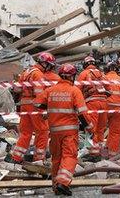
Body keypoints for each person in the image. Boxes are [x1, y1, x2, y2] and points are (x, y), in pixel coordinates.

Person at [34, 64, 92, 196]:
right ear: (72, 76)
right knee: (69, 156)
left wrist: (48, 106)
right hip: (69, 132)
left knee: (56, 158)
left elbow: (37, 103)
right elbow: (82, 113)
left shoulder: (50, 90)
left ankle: (55, 185)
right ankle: (63, 182)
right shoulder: (74, 91)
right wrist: (89, 127)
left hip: (54, 131)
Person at [7, 52, 58, 164]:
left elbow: (17, 89)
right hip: (35, 105)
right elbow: (39, 93)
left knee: (25, 133)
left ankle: (16, 157)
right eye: (49, 65)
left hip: (24, 104)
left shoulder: (27, 72)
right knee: (43, 131)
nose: (49, 68)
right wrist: (44, 108)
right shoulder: (38, 74)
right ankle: (39, 159)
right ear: (44, 63)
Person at [77, 56, 108, 156]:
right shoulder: (102, 74)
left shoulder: (84, 73)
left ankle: (93, 152)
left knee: (91, 127)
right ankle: (100, 150)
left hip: (92, 102)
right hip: (104, 103)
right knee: (101, 128)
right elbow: (109, 89)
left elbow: (77, 90)